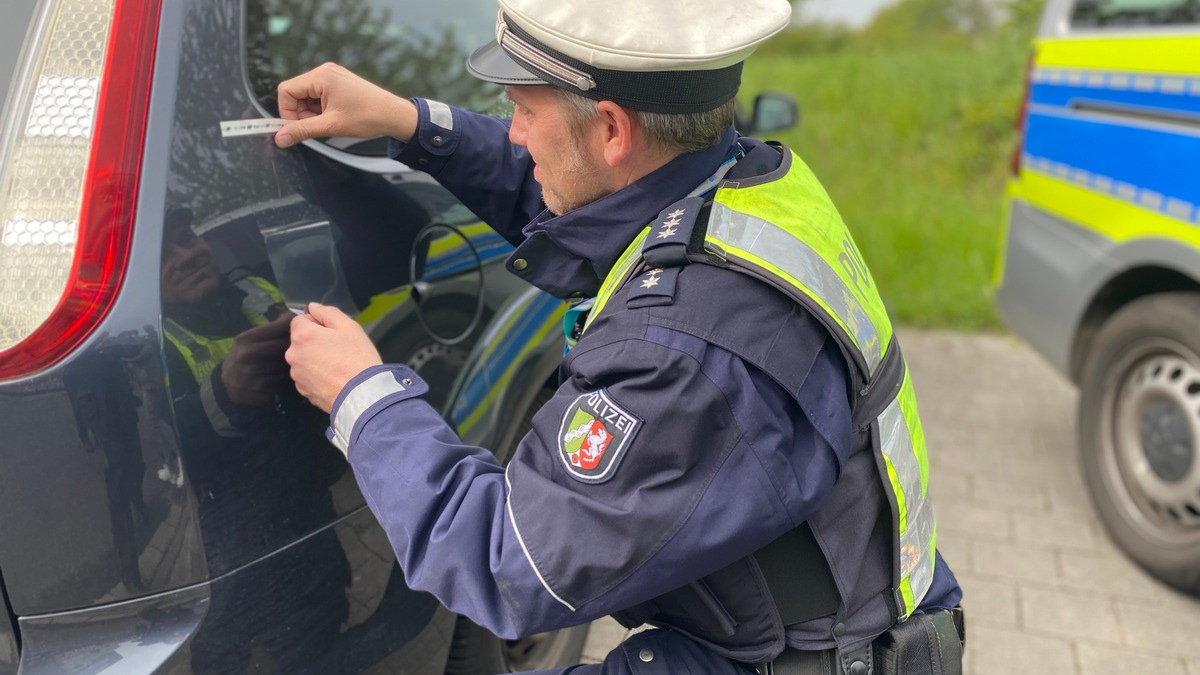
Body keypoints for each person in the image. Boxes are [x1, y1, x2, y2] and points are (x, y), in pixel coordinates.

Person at [279, 1, 965, 673]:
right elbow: (575, 190)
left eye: (523, 110)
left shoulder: (685, 350)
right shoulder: (732, 176)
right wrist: (409, 120)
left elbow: (505, 559)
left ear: (611, 129)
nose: (515, 134)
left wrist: (362, 396)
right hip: (811, 625)